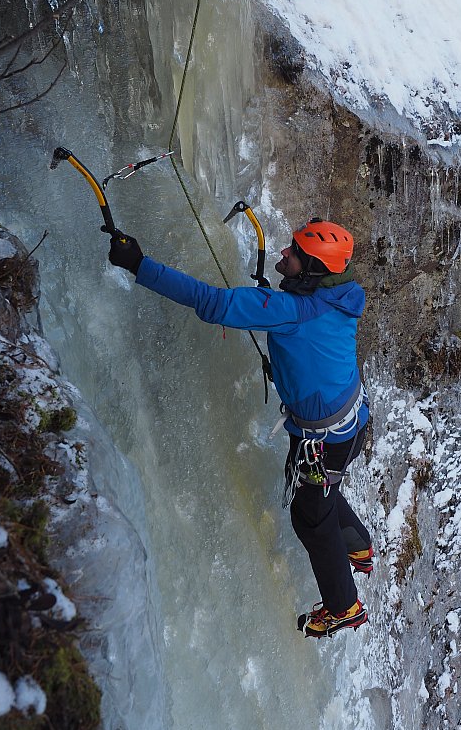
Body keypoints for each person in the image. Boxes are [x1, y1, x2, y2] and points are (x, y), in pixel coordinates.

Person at [108, 216, 373, 639]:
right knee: (317, 488)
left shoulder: (292, 310)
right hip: (350, 423)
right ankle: (357, 544)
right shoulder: (341, 296)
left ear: (313, 271)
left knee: (310, 516)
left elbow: (213, 304)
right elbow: (307, 335)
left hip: (326, 440)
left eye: (294, 253)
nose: (284, 253)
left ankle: (345, 608)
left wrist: (140, 265)